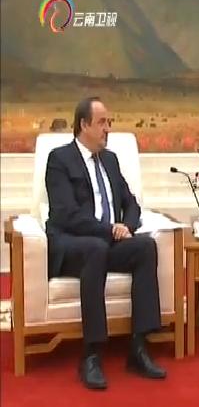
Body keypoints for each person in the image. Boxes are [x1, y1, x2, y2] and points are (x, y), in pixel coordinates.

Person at [45, 97, 166, 390]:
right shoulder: (59, 160)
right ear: (83, 125)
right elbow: (66, 215)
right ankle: (92, 353)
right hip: (73, 244)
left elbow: (131, 203)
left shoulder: (110, 160)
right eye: (102, 122)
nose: (107, 129)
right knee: (95, 248)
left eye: (109, 122)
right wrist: (109, 230)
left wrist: (128, 228)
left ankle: (138, 347)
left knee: (145, 247)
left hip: (108, 242)